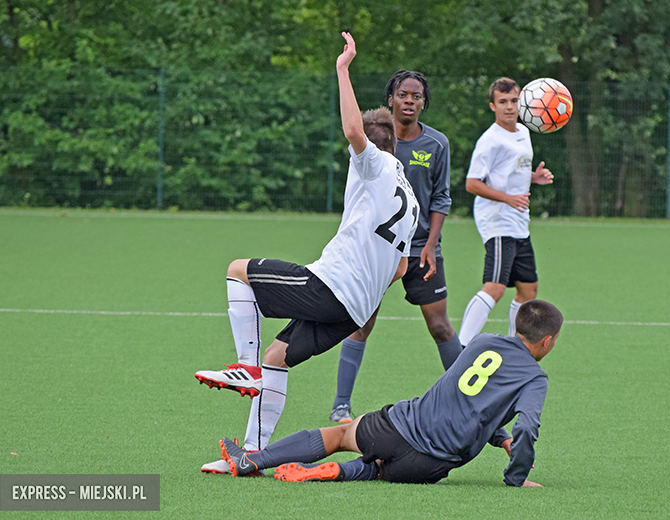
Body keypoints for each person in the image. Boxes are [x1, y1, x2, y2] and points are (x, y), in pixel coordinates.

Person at [194, 31, 420, 474]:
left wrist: (342, 68)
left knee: (238, 270)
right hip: (355, 310)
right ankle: (251, 458)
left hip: (332, 287)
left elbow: (355, 129)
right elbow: (401, 268)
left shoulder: (374, 162)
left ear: (371, 150)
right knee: (277, 356)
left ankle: (245, 368)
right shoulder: (409, 198)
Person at [219, 299, 563, 487]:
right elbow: (526, 427)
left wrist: (499, 436)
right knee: (380, 471)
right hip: (431, 462)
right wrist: (515, 476)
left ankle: (252, 460)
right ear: (547, 341)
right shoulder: (535, 377)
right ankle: (342, 473)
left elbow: (469, 395)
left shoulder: (482, 342)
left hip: (396, 425)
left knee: (339, 435)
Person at [329, 69, 461, 423]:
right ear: (391, 99)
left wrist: (431, 244)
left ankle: (468, 398)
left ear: (424, 103)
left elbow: (441, 198)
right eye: (403, 94)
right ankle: (341, 405)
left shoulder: (437, 144)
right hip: (379, 250)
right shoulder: (375, 142)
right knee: (361, 322)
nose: (409, 101)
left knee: (440, 326)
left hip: (420, 250)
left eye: (417, 96)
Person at [458, 77, 554, 347]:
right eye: (503, 102)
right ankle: (461, 347)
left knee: (528, 290)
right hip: (498, 222)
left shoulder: (524, 131)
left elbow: (511, 172)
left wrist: (534, 177)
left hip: (519, 222)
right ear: (493, 106)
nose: (509, 107)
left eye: (514, 100)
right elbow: (472, 183)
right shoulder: (490, 141)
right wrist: (508, 199)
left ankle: (515, 347)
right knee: (495, 288)